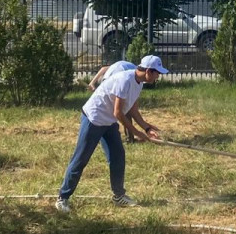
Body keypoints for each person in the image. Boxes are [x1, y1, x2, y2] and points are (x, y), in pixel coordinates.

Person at [55, 55, 168, 213]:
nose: (158, 77)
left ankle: (118, 196)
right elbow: (118, 113)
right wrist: (136, 133)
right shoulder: (125, 80)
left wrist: (147, 128)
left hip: (108, 122)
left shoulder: (139, 83)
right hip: (94, 119)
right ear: (148, 71)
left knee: (117, 156)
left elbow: (132, 109)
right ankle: (62, 198)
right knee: (81, 158)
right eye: (157, 73)